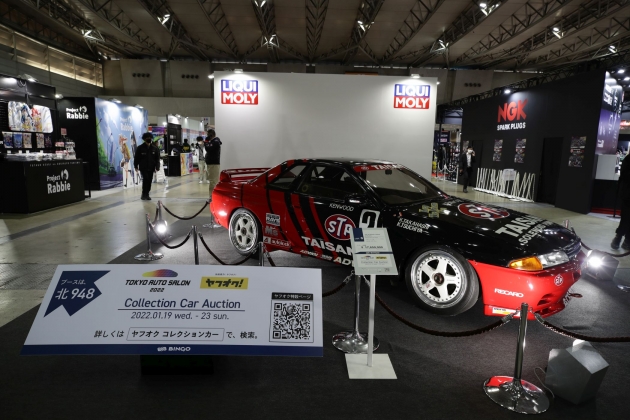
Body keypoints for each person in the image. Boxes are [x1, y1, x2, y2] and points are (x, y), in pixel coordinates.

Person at [134, 132, 160, 200]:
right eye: (147, 138)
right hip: (143, 167)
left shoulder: (155, 148)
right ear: (144, 139)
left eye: (150, 138)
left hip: (151, 167)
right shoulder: (140, 148)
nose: (149, 139)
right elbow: (136, 158)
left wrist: (157, 166)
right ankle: (143, 194)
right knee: (146, 179)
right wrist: (135, 166)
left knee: (149, 180)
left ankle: (147, 194)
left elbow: (157, 158)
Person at [612, 155, 630, 249]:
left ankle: (627, 240)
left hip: (626, 193)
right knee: (625, 218)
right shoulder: (628, 159)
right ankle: (618, 238)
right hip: (628, 195)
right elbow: (624, 175)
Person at [205, 129, 222, 199]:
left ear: (211, 135)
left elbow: (208, 149)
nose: (207, 136)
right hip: (211, 164)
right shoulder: (213, 142)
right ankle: (213, 197)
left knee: (213, 182)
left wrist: (206, 142)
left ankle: (212, 197)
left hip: (213, 164)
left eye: (208, 135)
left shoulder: (215, 142)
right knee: (212, 181)